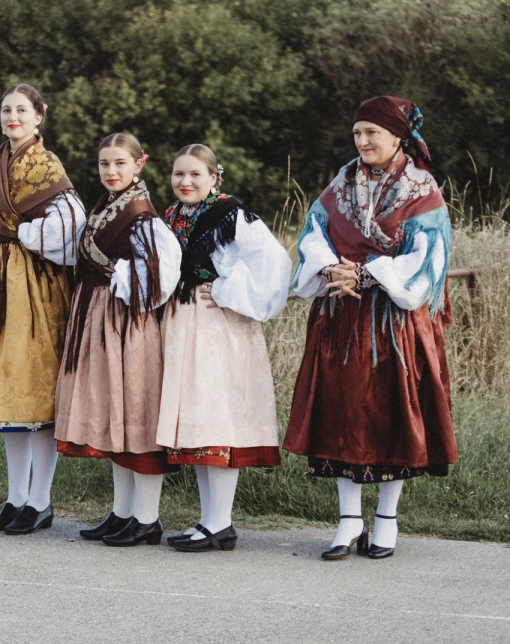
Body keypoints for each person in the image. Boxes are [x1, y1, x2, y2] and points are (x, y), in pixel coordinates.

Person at [284, 96, 456, 561]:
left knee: (390, 415)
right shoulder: (342, 182)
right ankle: (347, 521)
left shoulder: (422, 190)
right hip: (342, 314)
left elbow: (429, 260)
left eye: (371, 133)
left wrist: (368, 273)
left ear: (397, 136)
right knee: (341, 414)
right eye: (357, 133)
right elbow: (312, 236)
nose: (362, 141)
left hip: (393, 324)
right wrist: (331, 270)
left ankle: (386, 520)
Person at [0, 84, 86, 535]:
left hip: (31, 282)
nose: (13, 117)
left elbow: (71, 218)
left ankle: (41, 500)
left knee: (35, 390)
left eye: (22, 110)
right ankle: (15, 498)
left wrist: (30, 235)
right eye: (7, 109)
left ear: (39, 116)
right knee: (8, 395)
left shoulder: (45, 165)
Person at [157, 144, 291, 552]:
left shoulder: (231, 215)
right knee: (196, 420)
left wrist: (227, 288)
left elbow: (274, 263)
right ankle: (209, 520)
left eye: (196, 174)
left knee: (217, 418)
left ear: (215, 177)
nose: (186, 182)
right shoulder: (172, 216)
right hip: (182, 322)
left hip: (219, 325)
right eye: (179, 174)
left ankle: (221, 522)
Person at [54, 133, 181, 546]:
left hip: (128, 323)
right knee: (115, 415)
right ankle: (122, 512)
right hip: (99, 315)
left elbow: (160, 276)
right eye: (105, 164)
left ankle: (147, 518)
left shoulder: (143, 216)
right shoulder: (108, 206)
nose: (111, 172)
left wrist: (117, 282)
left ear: (138, 165)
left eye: (120, 164)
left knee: (135, 412)